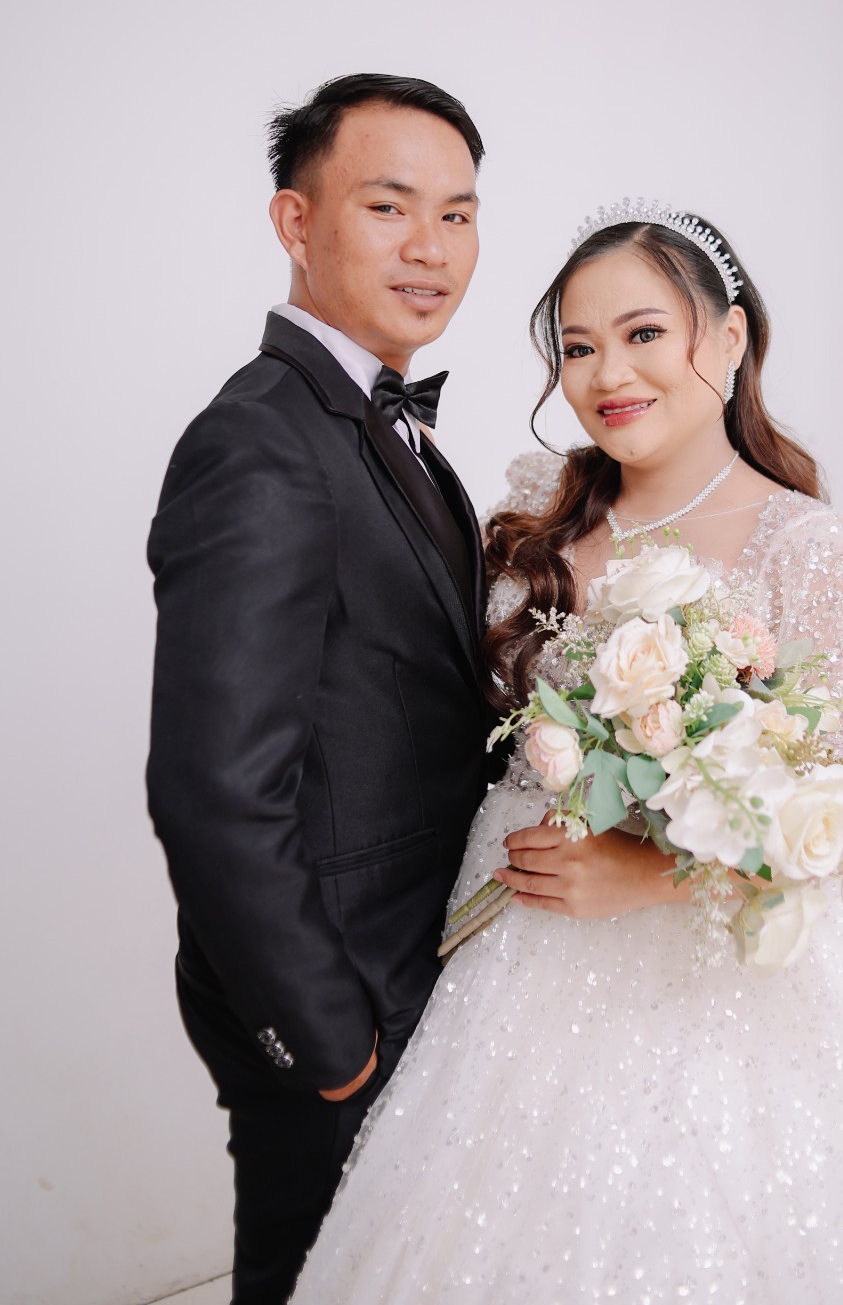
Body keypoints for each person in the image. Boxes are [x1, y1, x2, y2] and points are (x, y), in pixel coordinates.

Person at [292, 200, 843, 1303]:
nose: (608, 372)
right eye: (577, 346)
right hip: (510, 942)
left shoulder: (820, 550)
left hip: (720, 967)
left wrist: (645, 873)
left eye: (644, 332)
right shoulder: (536, 511)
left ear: (730, 336)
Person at [146, 73, 498, 1304]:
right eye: (388, 206)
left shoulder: (379, 425)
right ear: (295, 223)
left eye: (457, 214)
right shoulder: (259, 440)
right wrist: (327, 1042)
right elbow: (213, 791)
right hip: (338, 1004)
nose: (430, 248)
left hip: (420, 971)